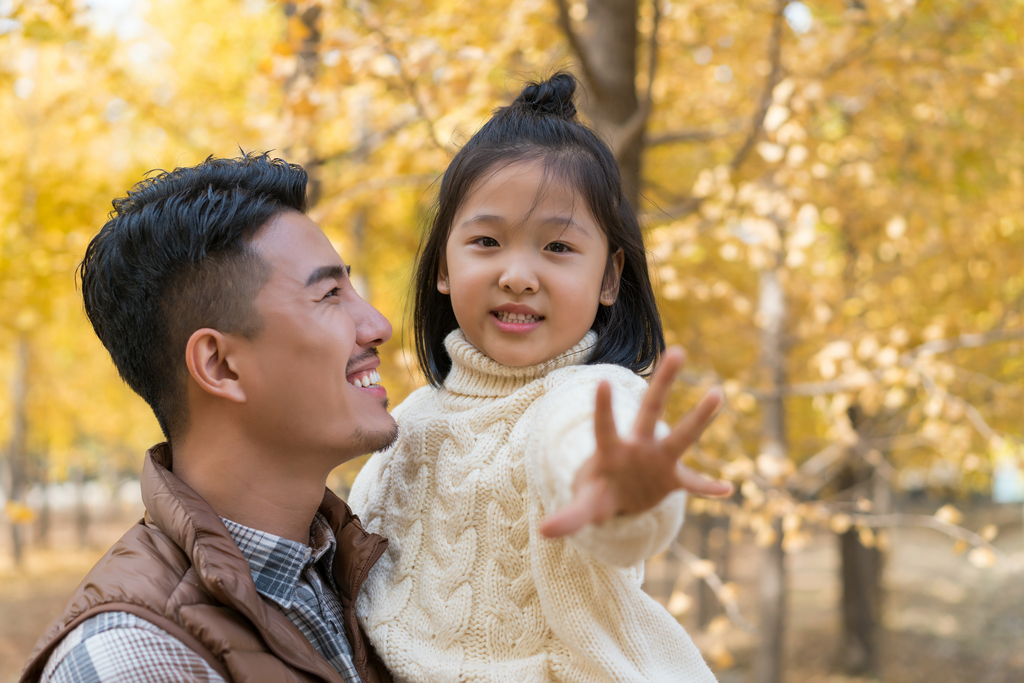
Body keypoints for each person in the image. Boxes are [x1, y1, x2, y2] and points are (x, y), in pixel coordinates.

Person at [348, 72, 732, 683]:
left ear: (610, 278)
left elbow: (582, 454)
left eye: (557, 248)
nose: (519, 275)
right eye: (487, 241)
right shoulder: (409, 421)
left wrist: (618, 487)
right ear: (443, 266)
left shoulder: (591, 398)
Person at [21, 153, 396, 683]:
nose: (378, 325)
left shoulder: (362, 569)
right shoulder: (132, 660)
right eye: (330, 294)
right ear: (220, 365)